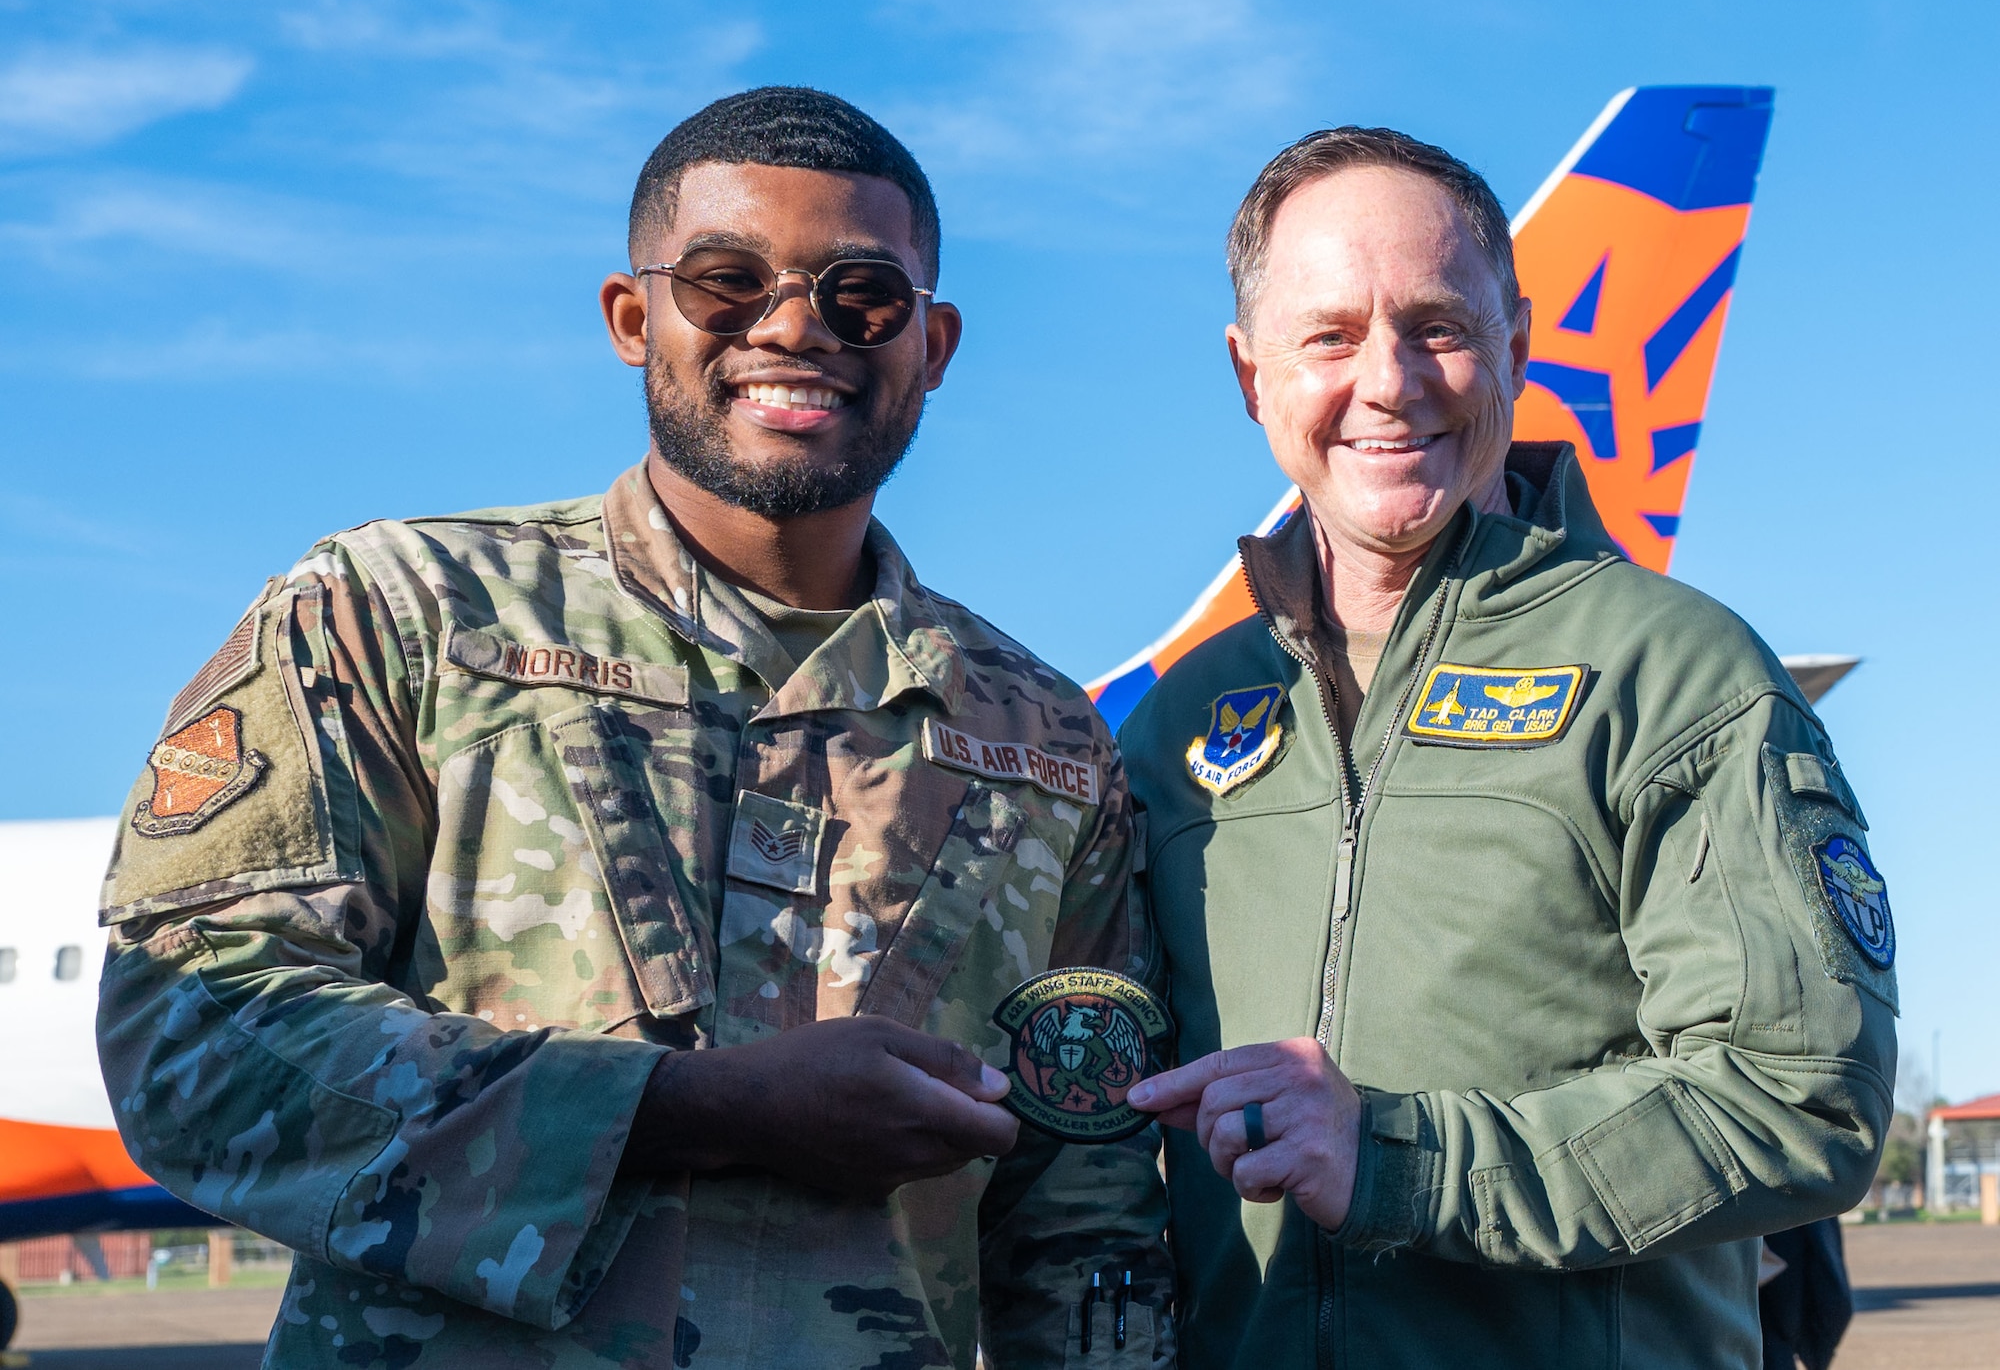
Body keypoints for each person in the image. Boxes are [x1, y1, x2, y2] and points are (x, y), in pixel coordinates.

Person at [96, 87, 1173, 1369]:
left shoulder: (1046, 738)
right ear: (631, 318)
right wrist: (681, 1109)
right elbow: (193, 1031)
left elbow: (1084, 1205)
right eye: (726, 281)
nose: (793, 326)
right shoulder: (397, 615)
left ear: (930, 343)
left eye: (861, 296)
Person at [1117, 127, 1895, 1368]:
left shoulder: (1670, 671)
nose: (1386, 381)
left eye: (1435, 326)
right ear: (1247, 373)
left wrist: (1397, 1155)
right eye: (1327, 335)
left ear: (1515, 349)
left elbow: (1800, 1095)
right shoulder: (1177, 725)